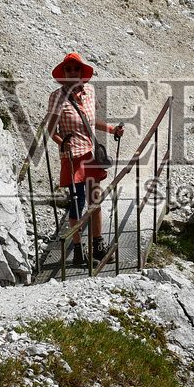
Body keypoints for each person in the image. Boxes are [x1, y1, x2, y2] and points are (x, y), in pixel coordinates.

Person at [47, 53, 124, 267]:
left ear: (82, 72)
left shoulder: (89, 91)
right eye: (69, 69)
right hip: (72, 159)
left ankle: (98, 246)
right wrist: (62, 142)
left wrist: (111, 129)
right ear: (63, 73)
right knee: (77, 204)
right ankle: (79, 251)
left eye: (76, 69)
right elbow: (51, 129)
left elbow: (89, 121)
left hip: (90, 155)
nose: (73, 72)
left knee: (95, 202)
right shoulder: (56, 97)